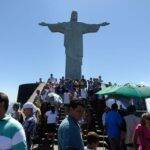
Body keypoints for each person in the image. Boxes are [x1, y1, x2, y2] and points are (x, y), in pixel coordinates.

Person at [39, 11, 109, 80]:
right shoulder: (66, 24)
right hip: (69, 47)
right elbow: (56, 26)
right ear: (71, 16)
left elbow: (90, 26)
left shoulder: (80, 25)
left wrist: (100, 24)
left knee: (77, 63)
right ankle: (68, 80)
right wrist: (46, 24)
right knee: (69, 62)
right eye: (73, 14)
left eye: (76, 15)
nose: (74, 16)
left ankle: (77, 81)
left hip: (78, 48)